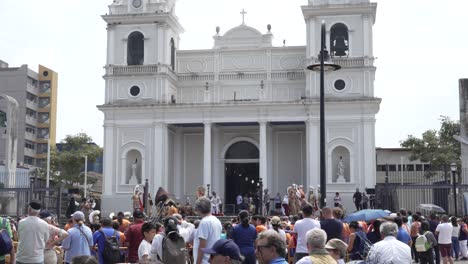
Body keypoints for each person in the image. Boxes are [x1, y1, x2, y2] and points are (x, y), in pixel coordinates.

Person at [193, 197, 223, 264]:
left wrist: (198, 262)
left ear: (198, 209)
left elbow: (202, 246)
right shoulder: (217, 220)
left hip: (204, 261)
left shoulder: (204, 222)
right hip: (213, 259)